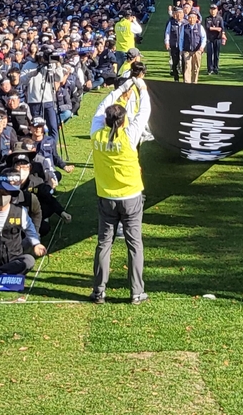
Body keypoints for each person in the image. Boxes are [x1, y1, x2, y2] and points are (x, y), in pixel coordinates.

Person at [89, 61, 151, 304]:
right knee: (134, 244)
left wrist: (121, 88)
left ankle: (98, 291)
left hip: (106, 195)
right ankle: (136, 292)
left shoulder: (97, 131)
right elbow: (144, 110)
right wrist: (140, 87)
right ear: (124, 120)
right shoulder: (129, 134)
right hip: (131, 195)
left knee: (104, 244)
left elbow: (101, 106)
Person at [180, 10, 207, 84]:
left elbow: (204, 38)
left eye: (193, 18)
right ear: (188, 18)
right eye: (190, 18)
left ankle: (194, 82)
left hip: (197, 50)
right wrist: (181, 49)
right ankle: (187, 82)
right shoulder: (184, 27)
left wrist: (202, 47)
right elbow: (181, 38)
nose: (192, 19)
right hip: (187, 50)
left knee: (196, 67)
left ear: (196, 19)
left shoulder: (199, 27)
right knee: (187, 67)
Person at [164, 7, 186, 82]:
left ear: (183, 14)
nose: (179, 15)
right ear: (175, 15)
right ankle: (176, 78)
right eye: (177, 13)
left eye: (180, 13)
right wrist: (167, 42)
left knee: (184, 63)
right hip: (174, 45)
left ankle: (185, 78)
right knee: (175, 62)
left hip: (184, 47)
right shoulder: (171, 23)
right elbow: (167, 33)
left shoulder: (186, 23)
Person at [204, 3, 226, 75]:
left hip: (217, 38)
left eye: (214, 9)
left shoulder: (220, 18)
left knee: (216, 54)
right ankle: (210, 69)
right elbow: (208, 28)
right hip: (210, 39)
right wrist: (216, 28)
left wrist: (222, 35)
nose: (213, 11)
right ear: (209, 10)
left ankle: (216, 68)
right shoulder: (207, 19)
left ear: (217, 10)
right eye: (211, 9)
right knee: (210, 54)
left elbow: (222, 28)